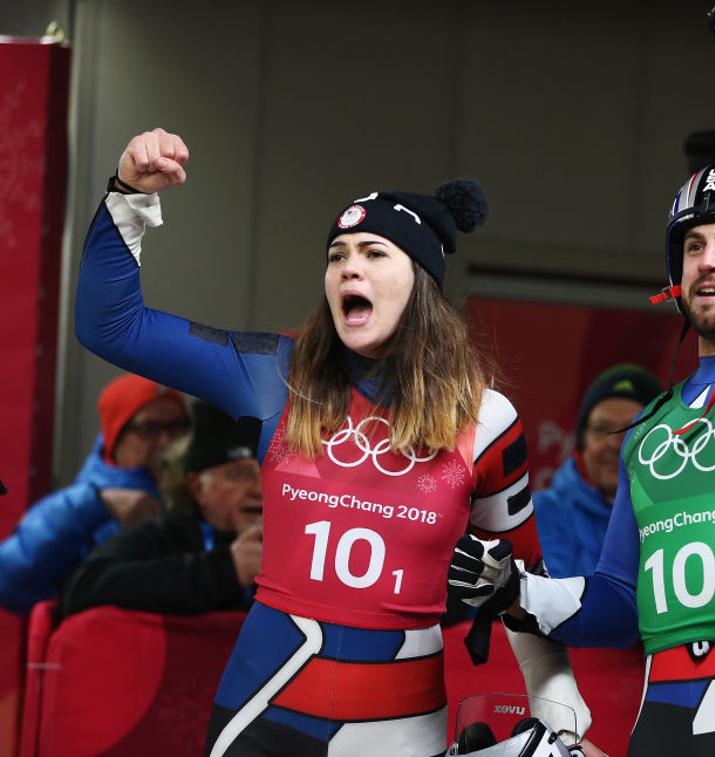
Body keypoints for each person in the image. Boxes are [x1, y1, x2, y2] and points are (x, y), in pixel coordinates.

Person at [75, 131, 597, 756]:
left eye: (375, 252)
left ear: (422, 281)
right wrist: (129, 194)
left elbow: (521, 581)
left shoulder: (484, 418)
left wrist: (554, 694)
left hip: (397, 726)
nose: (349, 265)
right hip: (263, 708)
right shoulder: (278, 376)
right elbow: (110, 325)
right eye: (337, 254)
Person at [449, 3, 715, 753]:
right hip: (667, 718)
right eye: (694, 245)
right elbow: (620, 599)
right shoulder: (648, 430)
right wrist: (519, 591)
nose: (709, 260)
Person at [0, 373, 189, 613]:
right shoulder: (81, 507)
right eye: (149, 428)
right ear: (115, 435)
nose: (167, 440)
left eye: (179, 426)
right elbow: (10, 580)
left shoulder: (202, 494)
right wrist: (95, 505)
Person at [62, 401, 264, 617]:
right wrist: (225, 570)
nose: (260, 489)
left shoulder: (299, 543)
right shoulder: (165, 536)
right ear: (198, 487)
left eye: (269, 474)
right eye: (239, 474)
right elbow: (83, 588)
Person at [533, 364, 661, 577]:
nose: (614, 444)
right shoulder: (539, 514)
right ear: (582, 442)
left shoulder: (678, 515)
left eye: (632, 430)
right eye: (601, 429)